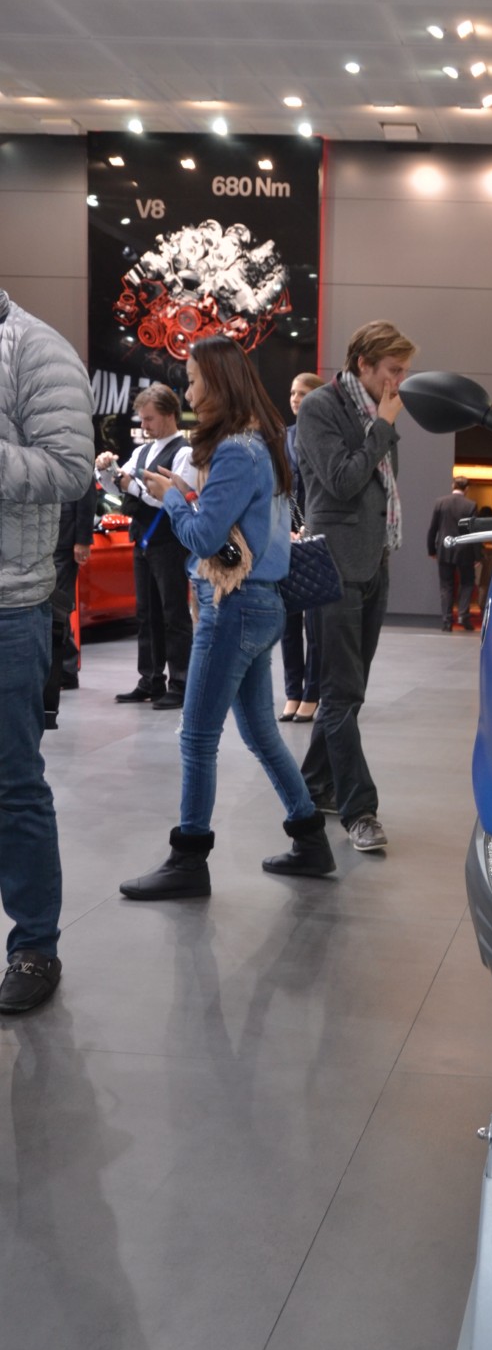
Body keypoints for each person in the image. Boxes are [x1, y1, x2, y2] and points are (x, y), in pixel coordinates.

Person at [119, 336, 336, 901]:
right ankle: (310, 838)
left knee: (197, 736)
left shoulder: (237, 451)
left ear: (216, 383)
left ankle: (189, 859)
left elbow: (202, 537)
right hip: (257, 605)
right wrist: (186, 495)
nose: (189, 392)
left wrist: (172, 498)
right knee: (261, 732)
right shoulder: (262, 442)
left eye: (193, 380)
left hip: (232, 606)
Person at [0, 289, 95, 1011]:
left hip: (8, 603)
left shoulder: (34, 347)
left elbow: (70, 469)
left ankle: (35, 945)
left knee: (13, 783)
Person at [295, 320, 412, 855]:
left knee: (349, 691)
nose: (399, 381)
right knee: (341, 692)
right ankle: (359, 810)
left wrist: (382, 424)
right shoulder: (321, 407)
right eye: (393, 369)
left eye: (403, 371)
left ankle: (311, 786)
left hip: (373, 560)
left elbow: (379, 490)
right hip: (334, 565)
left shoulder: (377, 410)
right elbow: (342, 480)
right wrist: (383, 427)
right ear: (363, 364)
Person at [97, 382, 195, 709]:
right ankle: (150, 679)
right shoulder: (142, 451)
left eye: (150, 418)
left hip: (169, 541)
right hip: (142, 539)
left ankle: (180, 682)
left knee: (173, 613)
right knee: (146, 613)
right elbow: (117, 486)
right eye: (142, 418)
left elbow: (173, 499)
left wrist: (132, 486)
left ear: (169, 415)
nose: (144, 425)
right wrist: (106, 470)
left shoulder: (185, 453)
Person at [279, 370, 323, 724]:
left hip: (319, 535)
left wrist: (311, 525)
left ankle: (313, 693)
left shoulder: (325, 435)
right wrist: (289, 528)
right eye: (293, 393)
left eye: (303, 393)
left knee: (316, 623)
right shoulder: (283, 437)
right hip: (287, 537)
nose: (295, 399)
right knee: (288, 623)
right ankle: (293, 691)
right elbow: (279, 489)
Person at [42, 475, 95, 729]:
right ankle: (64, 668)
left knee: (58, 609)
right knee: (53, 609)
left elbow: (87, 497)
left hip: (64, 542)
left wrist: (83, 539)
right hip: (47, 542)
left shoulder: (73, 458)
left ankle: (65, 670)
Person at [427, 476, 478, 631]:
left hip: (445, 549)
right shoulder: (471, 505)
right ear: (467, 489)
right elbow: (474, 530)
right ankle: (463, 615)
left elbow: (433, 529)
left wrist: (432, 549)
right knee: (467, 582)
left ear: (452, 486)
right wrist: (477, 555)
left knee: (446, 585)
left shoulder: (440, 503)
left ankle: (447, 621)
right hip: (465, 550)